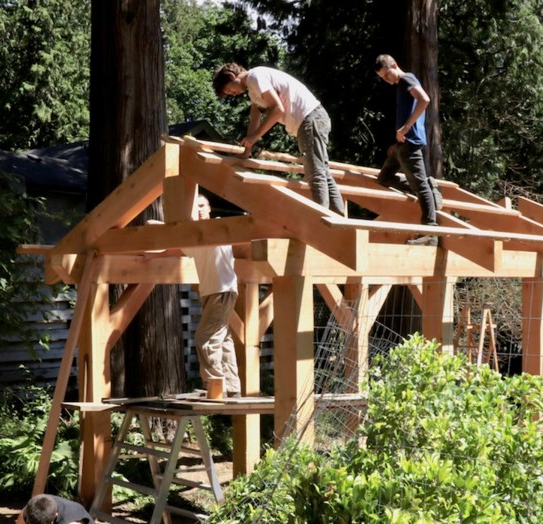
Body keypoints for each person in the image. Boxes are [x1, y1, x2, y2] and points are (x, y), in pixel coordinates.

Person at [212, 62, 346, 216]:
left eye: (229, 89)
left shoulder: (256, 77)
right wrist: (246, 151)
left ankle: (320, 219)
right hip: (312, 120)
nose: (233, 93)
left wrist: (255, 136)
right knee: (322, 172)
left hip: (311, 118)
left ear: (231, 76)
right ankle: (339, 219)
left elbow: (278, 110)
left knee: (315, 173)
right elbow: (254, 121)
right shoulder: (254, 90)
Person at [374, 54, 444, 246]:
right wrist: (396, 142)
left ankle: (431, 231)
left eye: (387, 75)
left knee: (420, 187)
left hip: (410, 142)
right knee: (384, 178)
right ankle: (428, 187)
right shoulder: (401, 84)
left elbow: (425, 99)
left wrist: (405, 128)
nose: (387, 80)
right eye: (383, 78)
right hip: (402, 145)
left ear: (395, 65)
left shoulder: (406, 79)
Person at [183, 194, 241, 397]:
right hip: (213, 292)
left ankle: (216, 387)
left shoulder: (217, 226)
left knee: (205, 338)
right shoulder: (193, 238)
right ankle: (232, 387)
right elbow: (171, 249)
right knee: (222, 338)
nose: (198, 210)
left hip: (221, 289)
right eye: (195, 208)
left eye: (201, 206)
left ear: (209, 209)